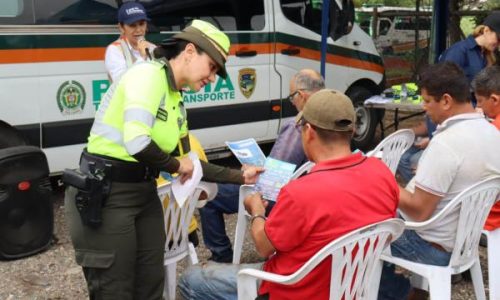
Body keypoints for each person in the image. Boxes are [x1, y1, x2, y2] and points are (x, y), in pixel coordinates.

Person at [64, 20, 262, 299]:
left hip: (143, 191)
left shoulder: (175, 98)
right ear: (190, 51)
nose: (213, 78)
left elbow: (188, 161)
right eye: (213, 67)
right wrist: (176, 166)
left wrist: (240, 176)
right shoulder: (147, 75)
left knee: (151, 285)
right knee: (114, 290)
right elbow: (138, 142)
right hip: (107, 193)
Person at [179, 89, 400, 300]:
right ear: (351, 131)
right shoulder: (382, 172)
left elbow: (264, 247)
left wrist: (256, 211)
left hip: (294, 289)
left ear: (310, 132)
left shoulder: (300, 192)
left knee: (190, 279)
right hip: (354, 286)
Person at [378, 62, 500, 300]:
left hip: (430, 246)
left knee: (356, 230)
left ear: (446, 100)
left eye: (426, 101)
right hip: (465, 241)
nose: (424, 109)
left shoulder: (447, 144)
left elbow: (420, 211)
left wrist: (383, 180)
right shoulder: (493, 134)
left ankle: (401, 293)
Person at [199, 69, 325, 263]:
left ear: (301, 95)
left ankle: (221, 256)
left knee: (208, 196)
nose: (291, 102)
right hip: (303, 190)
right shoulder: (329, 117)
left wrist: (252, 168)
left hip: (273, 194)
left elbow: (276, 171)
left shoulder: (298, 126)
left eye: (291, 96)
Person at [439, 11, 500, 104]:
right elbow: (445, 86)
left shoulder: (487, 55)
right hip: (457, 111)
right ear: (486, 31)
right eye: (499, 39)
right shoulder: (459, 51)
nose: (499, 44)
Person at [472, 66, 500, 233]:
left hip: (490, 219)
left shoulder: (494, 132)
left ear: (494, 100)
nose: (478, 106)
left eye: (480, 101)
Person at [104, 2, 156, 82]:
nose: (138, 30)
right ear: (121, 27)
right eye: (132, 25)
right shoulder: (114, 49)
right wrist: (142, 57)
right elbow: (120, 82)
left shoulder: (153, 48)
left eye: (141, 24)